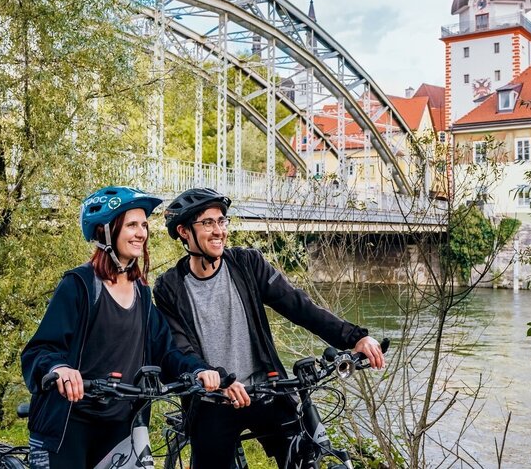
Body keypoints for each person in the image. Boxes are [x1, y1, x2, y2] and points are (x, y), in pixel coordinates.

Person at [153, 187, 385, 468]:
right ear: (184, 231)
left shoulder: (247, 264)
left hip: (267, 392)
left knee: (303, 455)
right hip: (214, 401)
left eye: (222, 221)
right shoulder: (170, 287)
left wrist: (355, 337)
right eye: (208, 223)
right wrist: (208, 376)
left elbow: (300, 306)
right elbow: (180, 348)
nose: (219, 230)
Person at [20, 186, 220, 469]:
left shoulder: (141, 293)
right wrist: (59, 370)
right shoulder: (79, 286)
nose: (141, 233)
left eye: (144, 225)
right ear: (106, 231)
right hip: (69, 424)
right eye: (131, 225)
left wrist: (197, 370)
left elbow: (166, 351)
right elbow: (41, 349)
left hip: (118, 425)